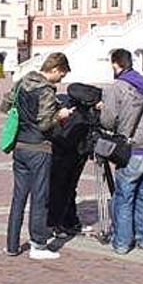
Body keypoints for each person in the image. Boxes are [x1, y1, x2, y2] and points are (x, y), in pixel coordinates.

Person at [0, 52, 72, 260]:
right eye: (62, 74)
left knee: (18, 197)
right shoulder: (46, 90)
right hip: (39, 148)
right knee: (40, 197)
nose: (61, 79)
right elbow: (44, 123)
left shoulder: (23, 82)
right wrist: (61, 115)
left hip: (20, 146)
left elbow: (5, 106)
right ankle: (38, 245)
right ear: (56, 69)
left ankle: (12, 245)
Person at [100, 48, 143, 254]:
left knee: (124, 198)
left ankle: (123, 243)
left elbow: (108, 120)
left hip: (131, 150)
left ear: (116, 64)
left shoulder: (117, 87)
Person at [48, 82, 101, 238]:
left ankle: (67, 222)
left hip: (70, 151)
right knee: (62, 189)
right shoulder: (83, 109)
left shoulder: (80, 106)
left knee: (66, 188)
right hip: (68, 152)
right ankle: (56, 224)